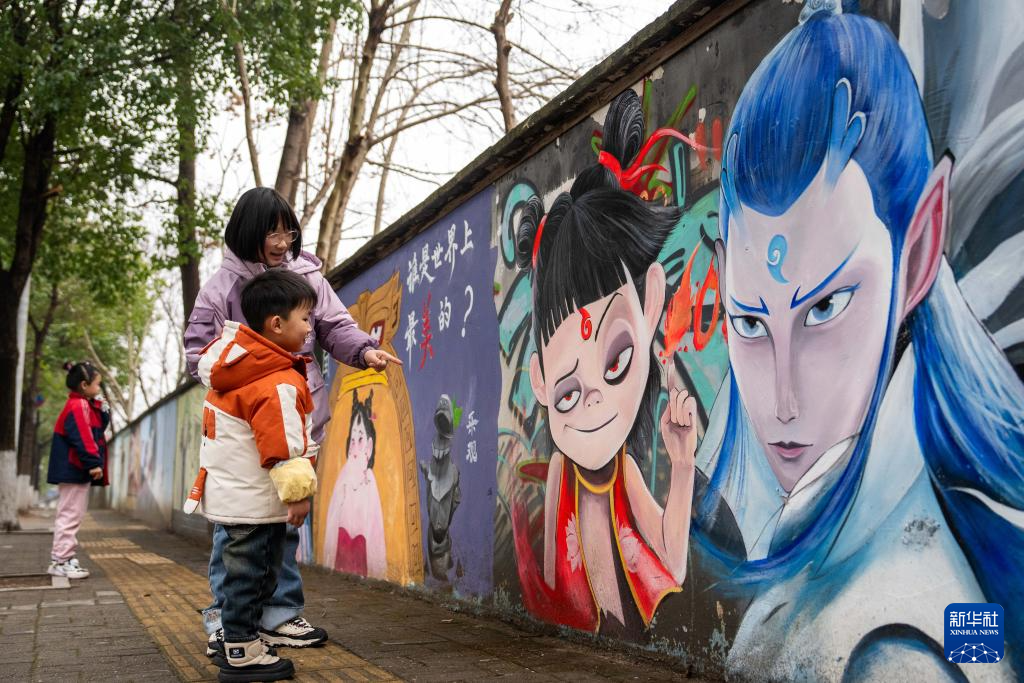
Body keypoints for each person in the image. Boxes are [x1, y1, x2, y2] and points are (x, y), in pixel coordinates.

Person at [691, 4, 1024, 679]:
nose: (783, 400)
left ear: (920, 250)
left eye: (825, 308)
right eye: (750, 322)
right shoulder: (826, 533)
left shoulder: (899, 650)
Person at [510, 89, 700, 636]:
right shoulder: (561, 475)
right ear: (540, 381)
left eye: (616, 362)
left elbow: (674, 563)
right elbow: (554, 584)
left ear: (651, 307)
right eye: (568, 392)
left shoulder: (624, 475)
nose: (592, 399)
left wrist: (682, 464)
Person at [184, 187, 401, 653]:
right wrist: (246, 381)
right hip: (241, 431)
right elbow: (197, 354)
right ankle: (226, 618)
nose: (283, 243)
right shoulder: (219, 289)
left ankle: (279, 614)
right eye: (272, 233)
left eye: (289, 232)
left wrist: (364, 351)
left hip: (296, 418)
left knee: (285, 521)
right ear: (248, 233)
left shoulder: (307, 276)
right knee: (236, 525)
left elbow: (335, 327)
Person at [187, 269, 320, 682]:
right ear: (276, 324)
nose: (310, 327)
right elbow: (283, 446)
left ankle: (238, 641)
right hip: (256, 504)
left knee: (243, 575)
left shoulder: (237, 369)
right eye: (305, 318)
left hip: (236, 498)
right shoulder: (274, 381)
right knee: (252, 577)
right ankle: (242, 651)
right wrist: (298, 494)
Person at [46, 361, 110, 580]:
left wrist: (102, 408)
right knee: (70, 514)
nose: (99, 388)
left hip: (74, 469)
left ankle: (64, 558)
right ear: (84, 385)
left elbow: (97, 428)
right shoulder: (78, 406)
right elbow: (84, 436)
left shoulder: (83, 405)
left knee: (72, 513)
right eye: (97, 384)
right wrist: (93, 463)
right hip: (74, 469)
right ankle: (61, 560)